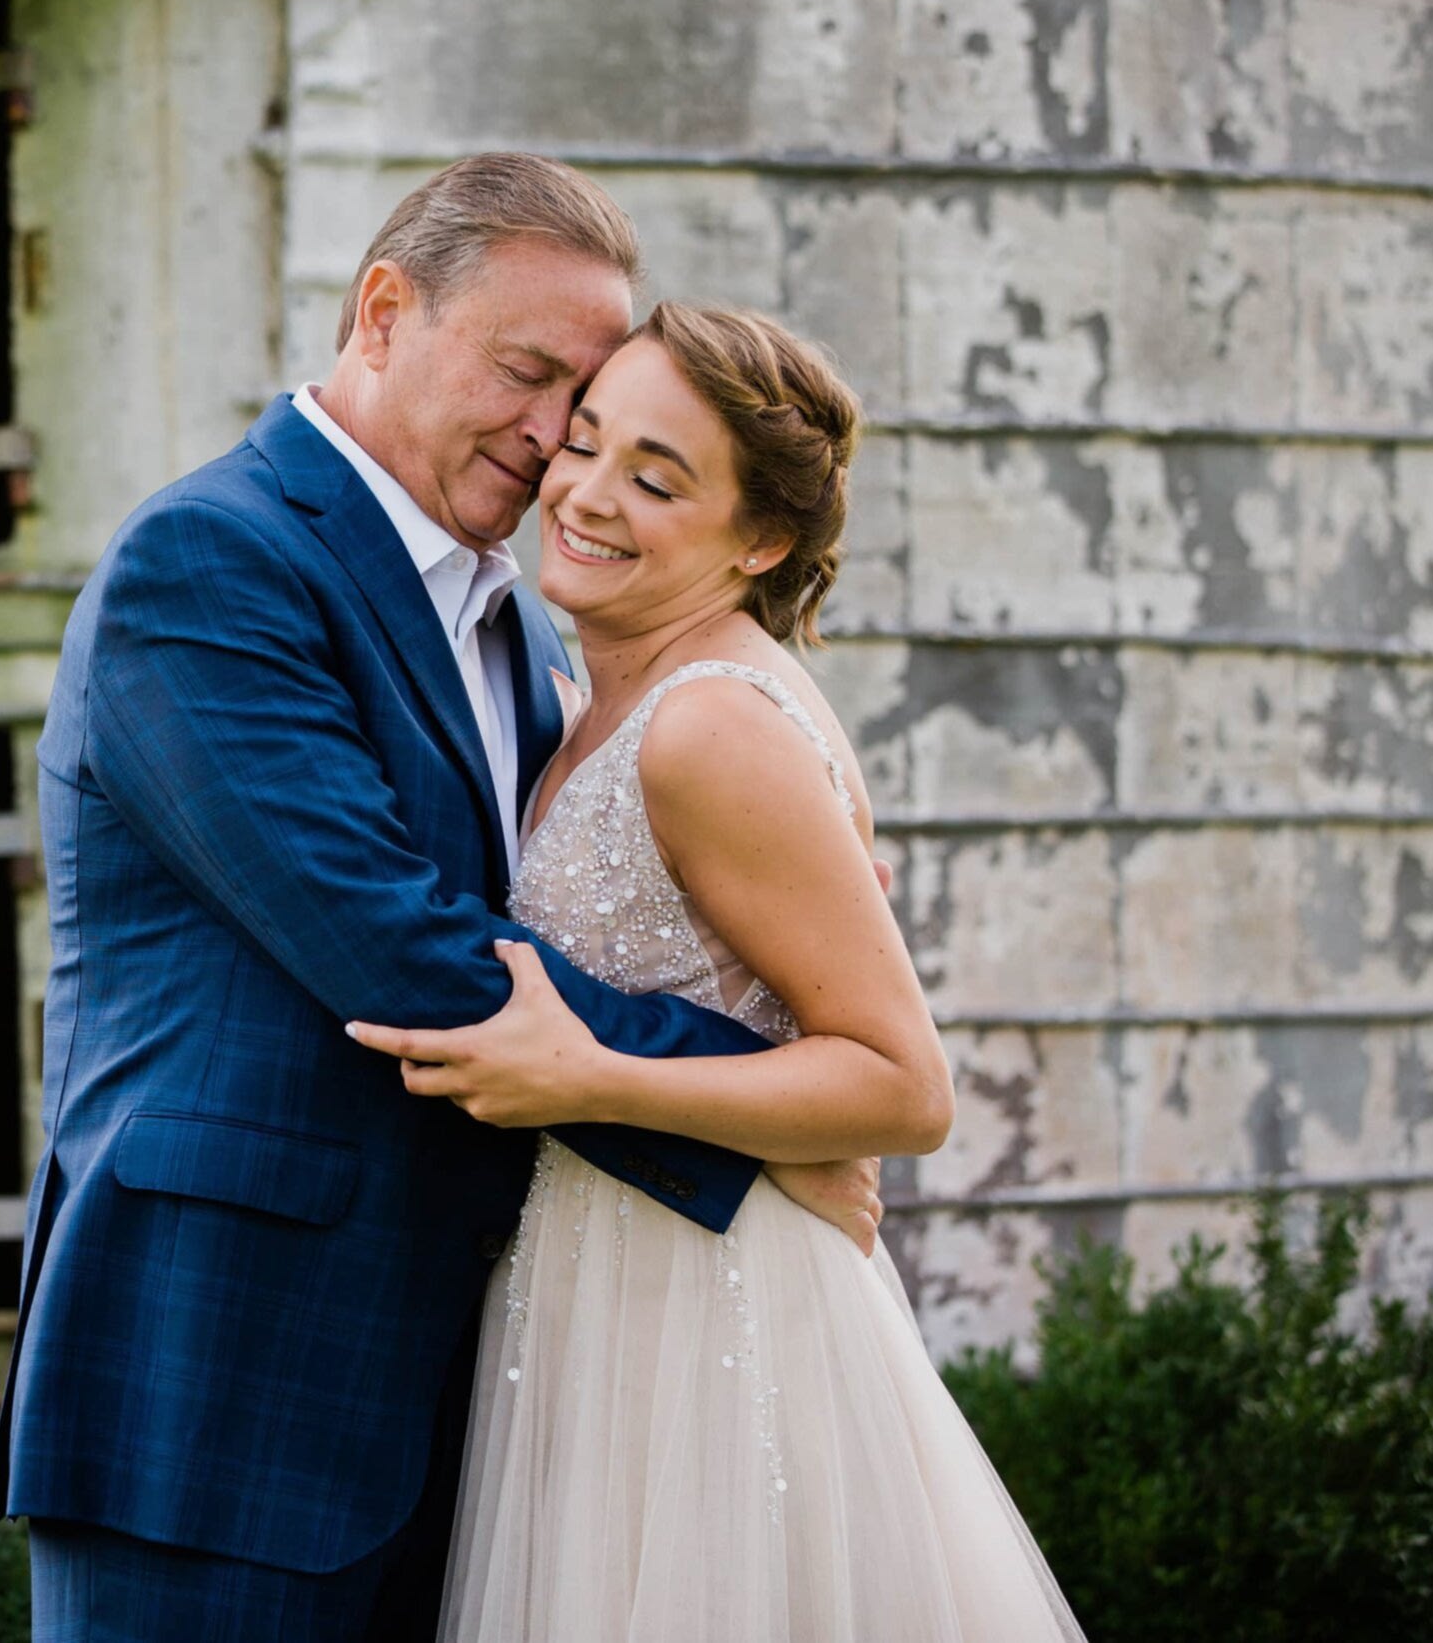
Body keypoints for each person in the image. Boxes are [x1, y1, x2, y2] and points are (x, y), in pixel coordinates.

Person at [0, 153, 885, 1641]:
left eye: (584, 408)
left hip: (475, 1402)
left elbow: (575, 911)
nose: (551, 444)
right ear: (385, 311)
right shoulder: (211, 565)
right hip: (220, 1390)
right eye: (527, 376)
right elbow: (396, 949)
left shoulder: (522, 630)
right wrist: (769, 1101)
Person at [348, 302, 1086, 1640]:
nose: (585, 493)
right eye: (585, 443)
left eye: (656, 476)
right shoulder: (593, 699)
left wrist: (595, 1076)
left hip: (716, 1313)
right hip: (598, 1286)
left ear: (760, 541)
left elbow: (902, 1087)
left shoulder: (709, 730)